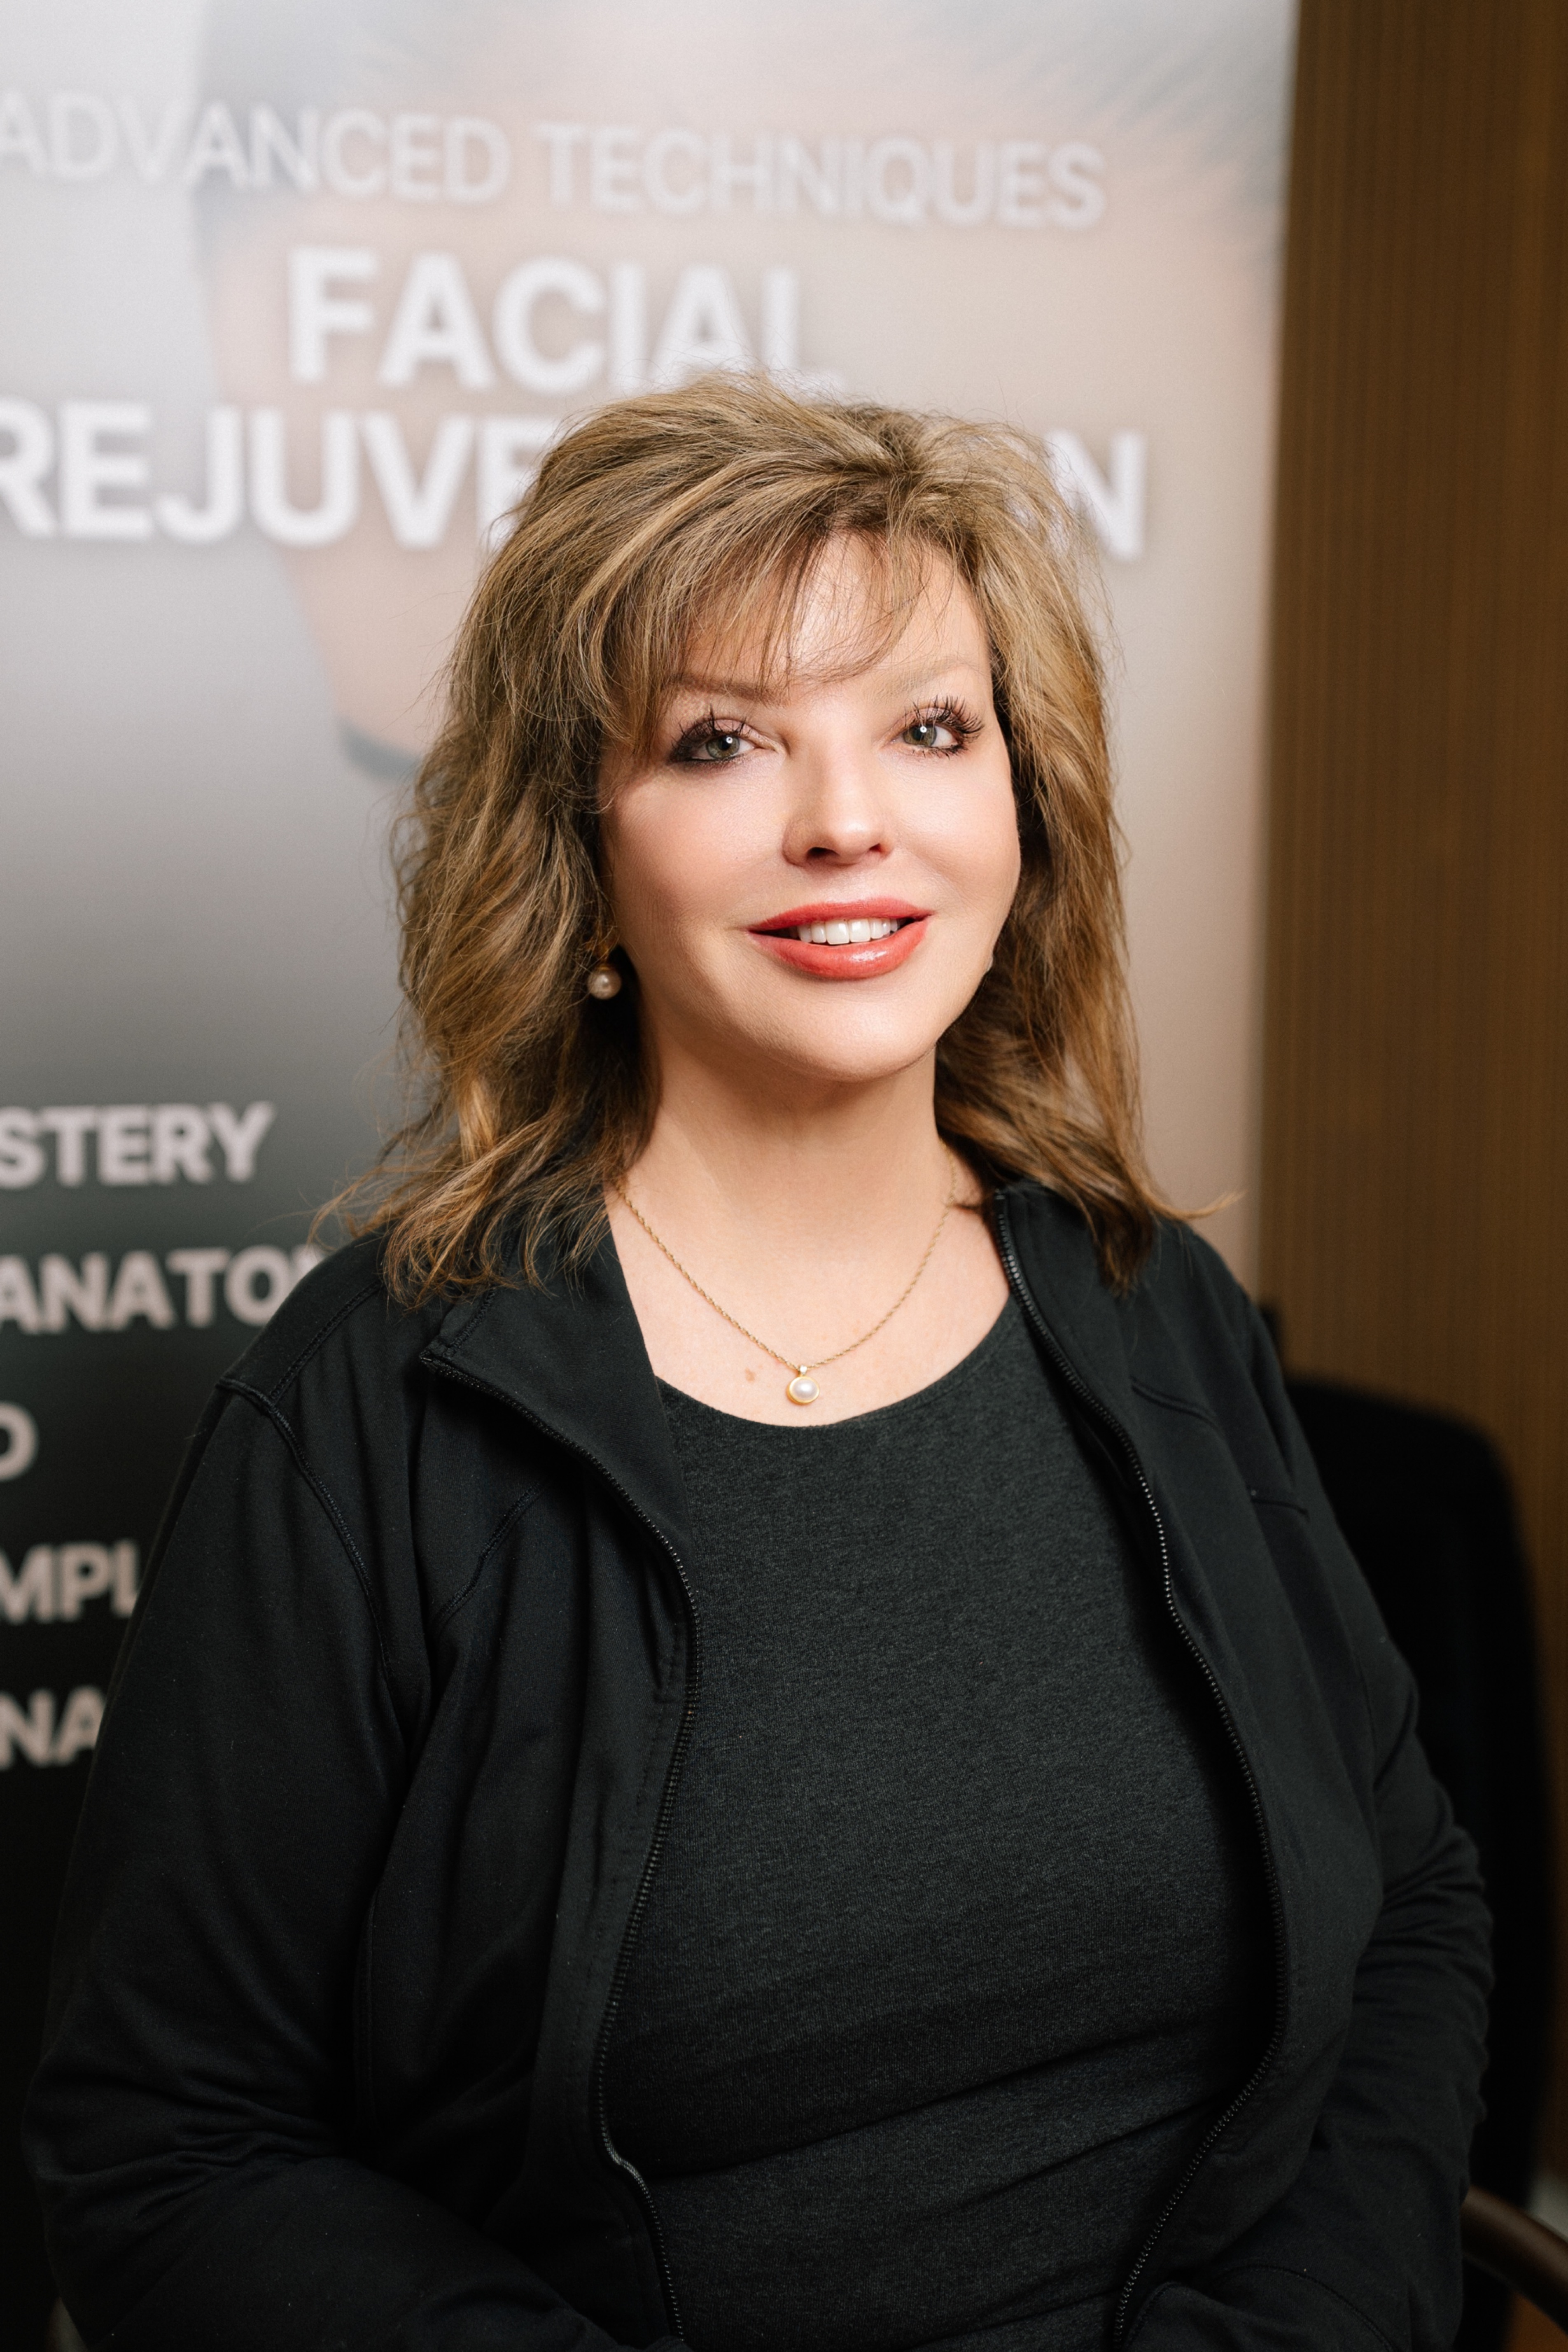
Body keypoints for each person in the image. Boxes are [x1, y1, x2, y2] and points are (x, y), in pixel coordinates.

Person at [26, 377, 1489, 2352]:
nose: (846, 821)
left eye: (928, 728)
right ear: (583, 858)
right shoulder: (375, 1407)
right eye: (722, 741)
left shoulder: (1156, 1316)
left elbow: (1405, 1907)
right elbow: (170, 2146)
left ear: (1020, 810)